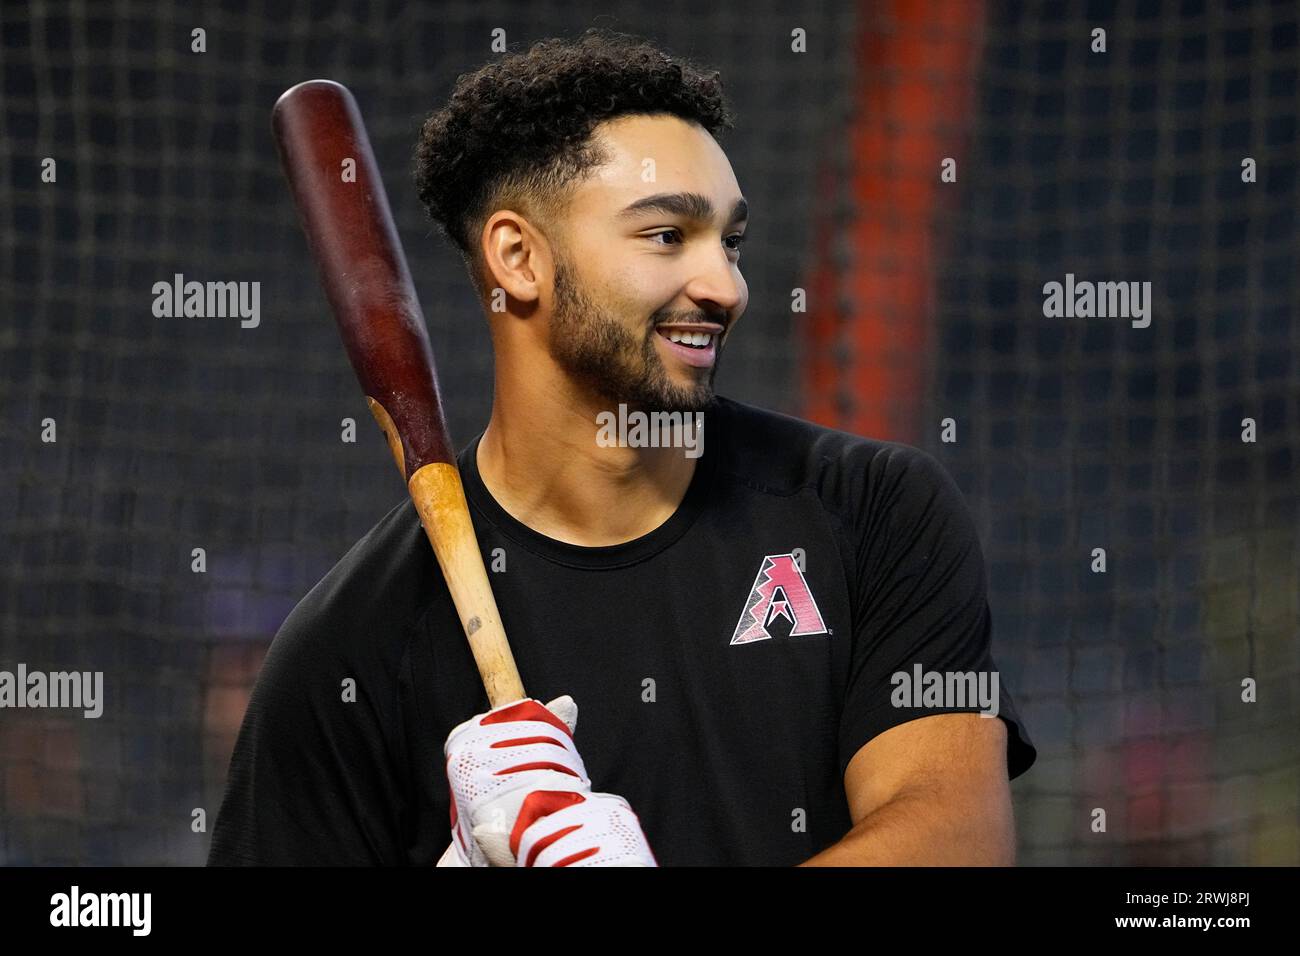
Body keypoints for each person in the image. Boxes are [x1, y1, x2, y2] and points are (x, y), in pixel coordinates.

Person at [208, 28, 1036, 867]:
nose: (726, 287)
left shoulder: (872, 512)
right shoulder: (349, 647)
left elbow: (955, 840)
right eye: (667, 236)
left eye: (732, 240)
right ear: (518, 258)